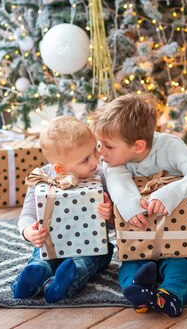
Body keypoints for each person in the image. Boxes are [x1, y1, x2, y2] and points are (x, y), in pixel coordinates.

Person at [92, 93, 187, 317]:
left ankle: (171, 296)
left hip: (180, 239)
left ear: (138, 146)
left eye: (107, 146)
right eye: (99, 143)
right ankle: (139, 292)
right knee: (129, 265)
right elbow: (118, 183)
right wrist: (130, 206)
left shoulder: (170, 147)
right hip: (137, 243)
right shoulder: (114, 161)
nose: (100, 152)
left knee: (180, 265)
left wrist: (170, 192)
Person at [12, 116, 115, 303]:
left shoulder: (100, 176)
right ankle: (33, 276)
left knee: (89, 259)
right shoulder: (41, 178)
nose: (95, 161)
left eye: (95, 151)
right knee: (42, 257)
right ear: (59, 168)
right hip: (50, 244)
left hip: (90, 245)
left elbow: (113, 224)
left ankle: (62, 281)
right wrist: (29, 232)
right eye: (85, 159)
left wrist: (109, 215)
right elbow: (27, 214)